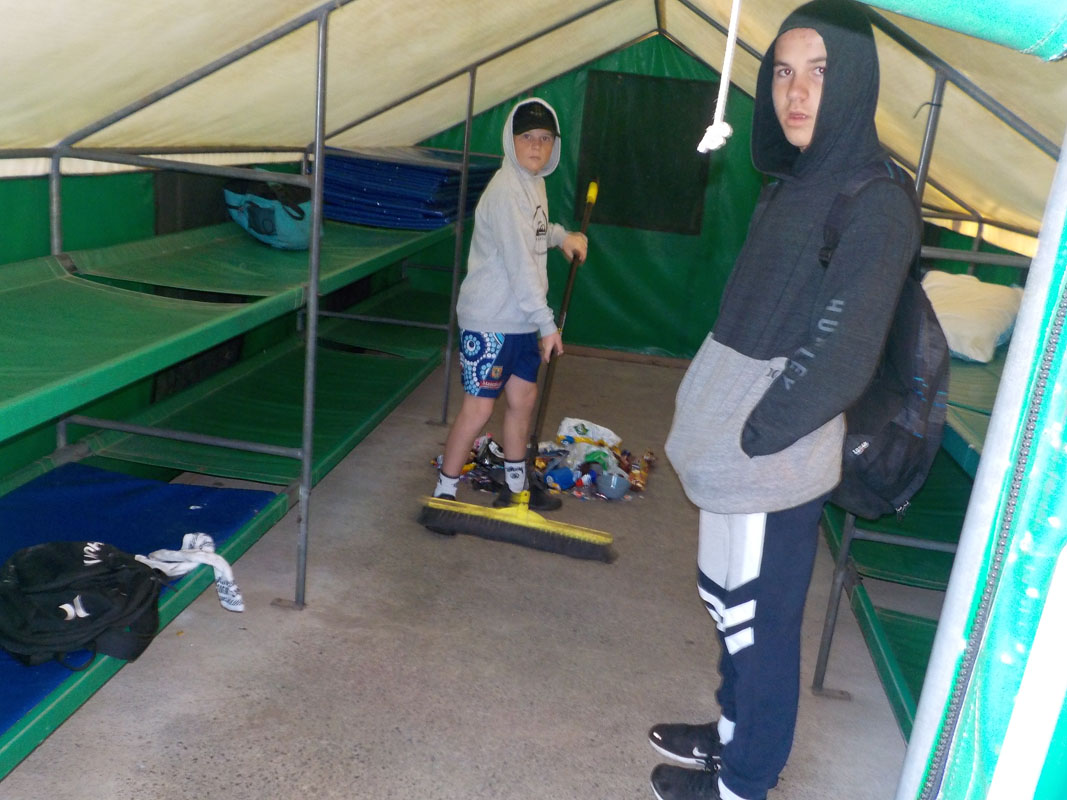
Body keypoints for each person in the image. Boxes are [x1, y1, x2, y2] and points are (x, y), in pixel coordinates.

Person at [653, 2, 921, 799]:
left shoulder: (876, 200)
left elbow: (842, 353)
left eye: (819, 72)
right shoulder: (793, 183)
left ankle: (745, 780)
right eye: (781, 72)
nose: (794, 92)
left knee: (759, 620)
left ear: (856, 81)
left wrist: (755, 432)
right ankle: (732, 730)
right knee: (724, 600)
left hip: (775, 448)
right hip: (735, 434)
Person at [432, 98, 587, 510]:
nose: (536, 145)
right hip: (490, 319)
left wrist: (562, 237)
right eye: (527, 137)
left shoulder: (533, 183)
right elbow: (520, 264)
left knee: (523, 399)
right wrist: (547, 325)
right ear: (510, 141)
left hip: (519, 319)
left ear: (554, 145)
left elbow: (537, 229)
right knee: (479, 408)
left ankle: (516, 487)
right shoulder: (504, 190)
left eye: (545, 138)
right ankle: (444, 494)